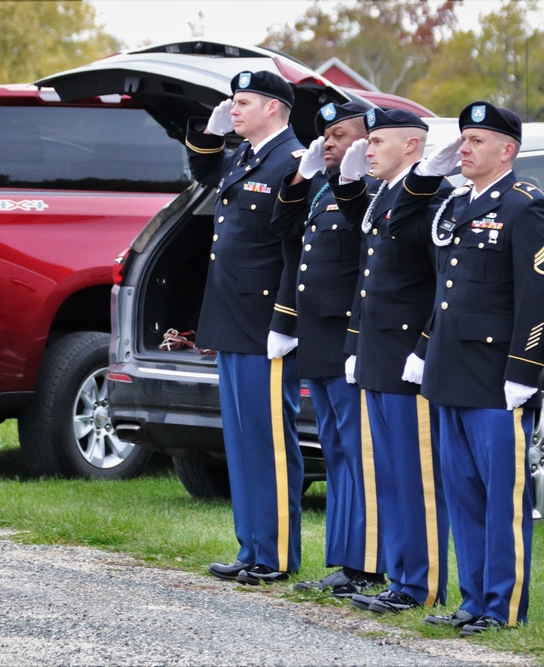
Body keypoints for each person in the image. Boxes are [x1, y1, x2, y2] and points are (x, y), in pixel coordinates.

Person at [388, 101, 544, 636]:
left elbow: (541, 296)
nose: (463, 149)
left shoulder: (525, 206)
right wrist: (425, 174)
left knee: (500, 500)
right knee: (462, 493)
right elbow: (408, 237)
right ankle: (473, 600)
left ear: (507, 150)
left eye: (476, 141)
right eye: (463, 139)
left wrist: (524, 370)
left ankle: (503, 606)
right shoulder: (459, 205)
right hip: (450, 370)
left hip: (494, 378)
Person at [186, 70, 306, 585]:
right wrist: (209, 137)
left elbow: (296, 250)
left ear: (274, 108)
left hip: (264, 323)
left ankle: (276, 553)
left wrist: (285, 317)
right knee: (240, 439)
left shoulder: (294, 163)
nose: (233, 110)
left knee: (268, 438)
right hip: (233, 319)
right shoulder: (247, 157)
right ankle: (250, 545)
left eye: (243, 102)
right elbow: (207, 175)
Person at [330, 107, 451, 614]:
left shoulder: (432, 198)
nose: (368, 148)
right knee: (390, 473)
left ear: (412, 146)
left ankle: (421, 583)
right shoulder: (386, 196)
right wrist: (356, 344)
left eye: (378, 140)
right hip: (378, 351)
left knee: (416, 472)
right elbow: (369, 278)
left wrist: (423, 347)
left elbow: (439, 285)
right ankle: (401, 575)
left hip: (407, 356)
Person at [270, 101, 387, 597]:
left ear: (368, 139)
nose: (331, 144)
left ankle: (367, 563)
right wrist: (300, 180)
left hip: (349, 339)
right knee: (337, 451)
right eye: (327, 137)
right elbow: (283, 234)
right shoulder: (322, 191)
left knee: (361, 454)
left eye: (341, 135)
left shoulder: (376, 192)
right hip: (319, 338)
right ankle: (344, 559)